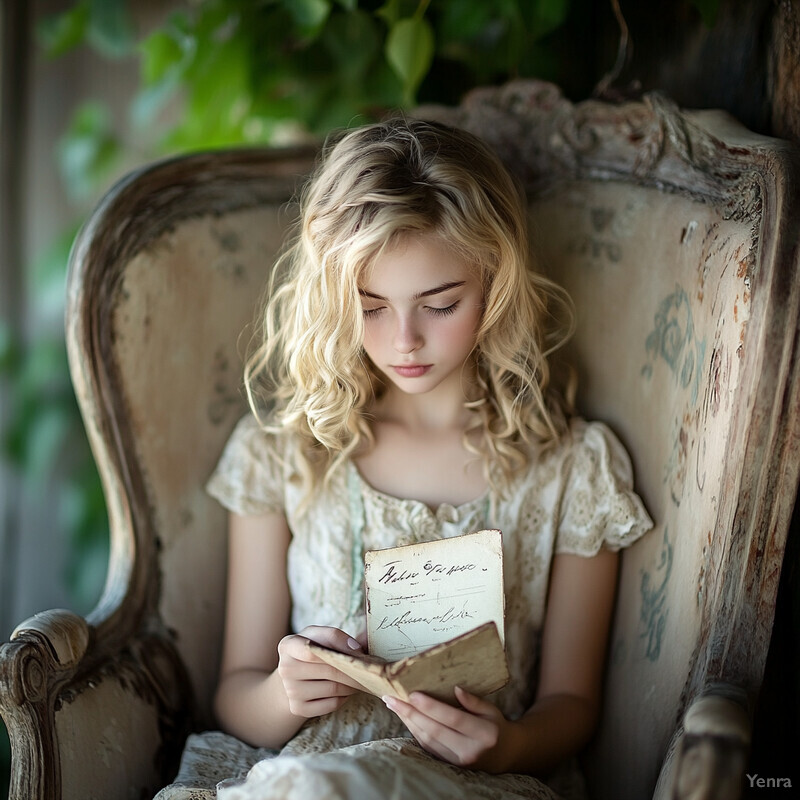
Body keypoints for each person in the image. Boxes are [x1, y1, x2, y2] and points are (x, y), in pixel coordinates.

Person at [201, 117, 653, 800]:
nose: (404, 340)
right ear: (332, 299)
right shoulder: (284, 456)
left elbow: (573, 703)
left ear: (493, 284)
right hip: (293, 780)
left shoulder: (571, 470)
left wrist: (512, 745)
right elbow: (235, 696)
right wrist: (286, 692)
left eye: (440, 304)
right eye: (371, 306)